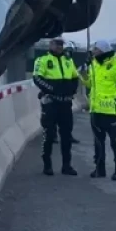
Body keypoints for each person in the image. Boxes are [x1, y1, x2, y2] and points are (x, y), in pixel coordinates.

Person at [80, 40, 116, 181]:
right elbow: (91, 84)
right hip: (96, 110)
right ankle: (99, 169)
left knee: (115, 141)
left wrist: (114, 100)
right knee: (98, 142)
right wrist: (84, 75)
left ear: (102, 50)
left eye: (95, 49)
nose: (93, 52)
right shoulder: (94, 64)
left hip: (111, 111)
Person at [33, 38, 80, 176]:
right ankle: (47, 165)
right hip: (51, 104)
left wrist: (71, 90)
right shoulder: (42, 60)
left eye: (61, 45)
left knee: (66, 136)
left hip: (66, 104)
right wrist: (52, 89)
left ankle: (67, 166)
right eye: (57, 44)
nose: (59, 47)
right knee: (49, 135)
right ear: (51, 45)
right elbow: (37, 78)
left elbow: (75, 77)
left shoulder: (68, 60)